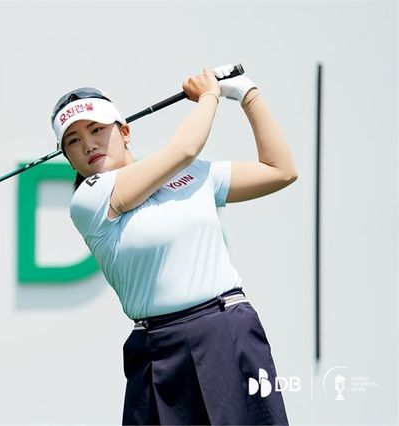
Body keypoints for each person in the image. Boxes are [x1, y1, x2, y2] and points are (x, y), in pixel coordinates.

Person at [50, 64, 296, 425]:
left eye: (97, 129)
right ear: (68, 157)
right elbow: (184, 148)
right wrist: (209, 95)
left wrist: (247, 94)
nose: (88, 144)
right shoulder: (89, 200)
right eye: (73, 140)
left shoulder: (193, 174)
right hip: (159, 351)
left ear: (125, 131)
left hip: (226, 329)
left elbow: (280, 170)